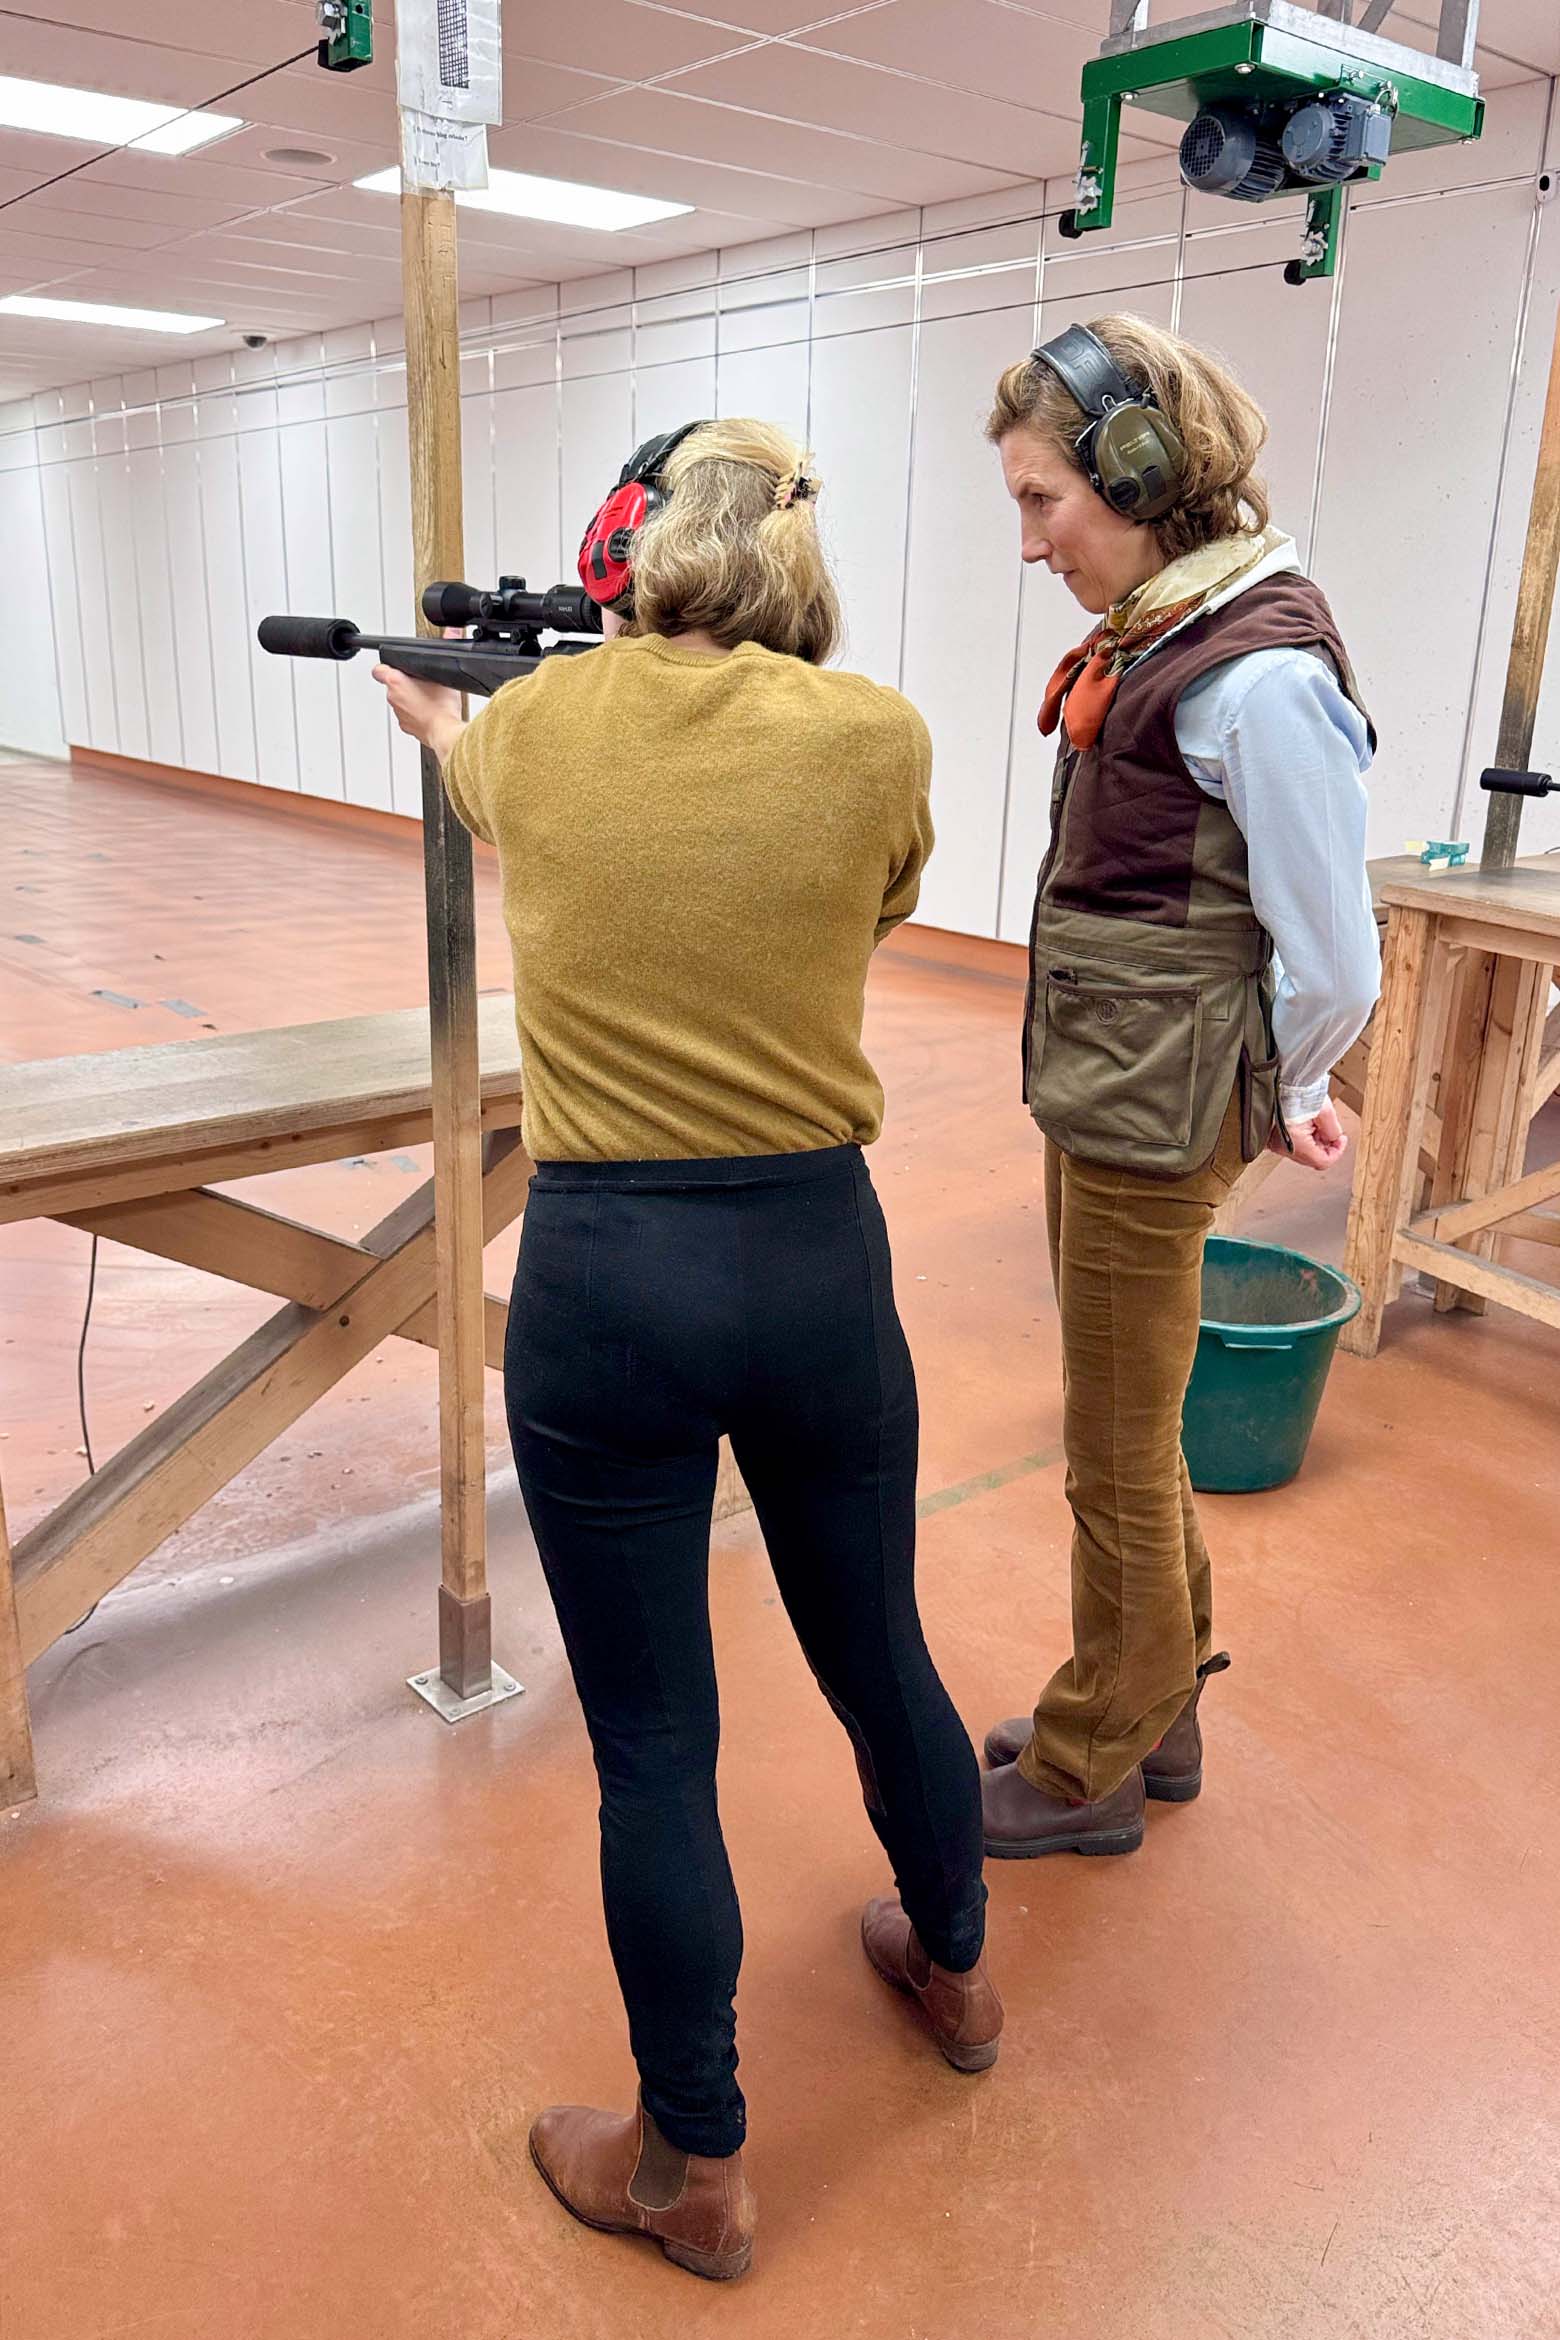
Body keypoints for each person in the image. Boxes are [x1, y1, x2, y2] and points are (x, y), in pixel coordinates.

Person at [374, 418, 1000, 2284]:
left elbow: (470, 766)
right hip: (816, 1259)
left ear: (633, 554)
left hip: (610, 1276)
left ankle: (693, 2167)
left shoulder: (531, 735)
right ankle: (957, 1971)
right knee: (879, 1648)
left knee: (655, 1744)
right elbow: (881, 898)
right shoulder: (878, 735)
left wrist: (443, 721)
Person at [979, 317, 1379, 1858]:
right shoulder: (1164, 634)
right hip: (1118, 1089)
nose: (1032, 543)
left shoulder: (1257, 676)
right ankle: (1164, 1706)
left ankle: (1092, 1763)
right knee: (1128, 1435)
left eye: (1043, 501)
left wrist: (1292, 1087)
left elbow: (1332, 953)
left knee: (1116, 1452)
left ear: (1140, 474)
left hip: (1162, 1110)